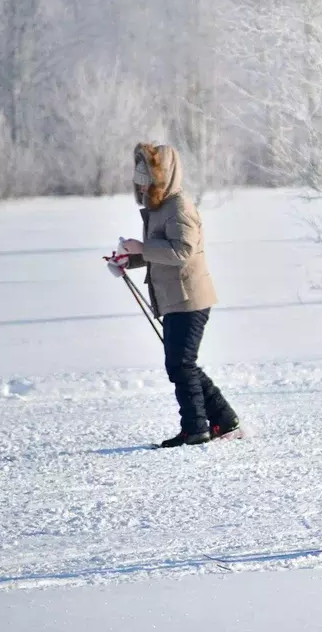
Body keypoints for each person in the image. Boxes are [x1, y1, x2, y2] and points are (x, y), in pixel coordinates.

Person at [105, 142, 240, 448]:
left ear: (162, 177)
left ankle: (196, 429)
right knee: (183, 363)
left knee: (180, 364)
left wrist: (142, 249)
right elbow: (162, 251)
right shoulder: (160, 208)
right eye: (139, 179)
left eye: (147, 178)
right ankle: (225, 419)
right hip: (174, 297)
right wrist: (131, 260)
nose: (142, 184)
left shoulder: (179, 207)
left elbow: (182, 251)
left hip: (189, 297)